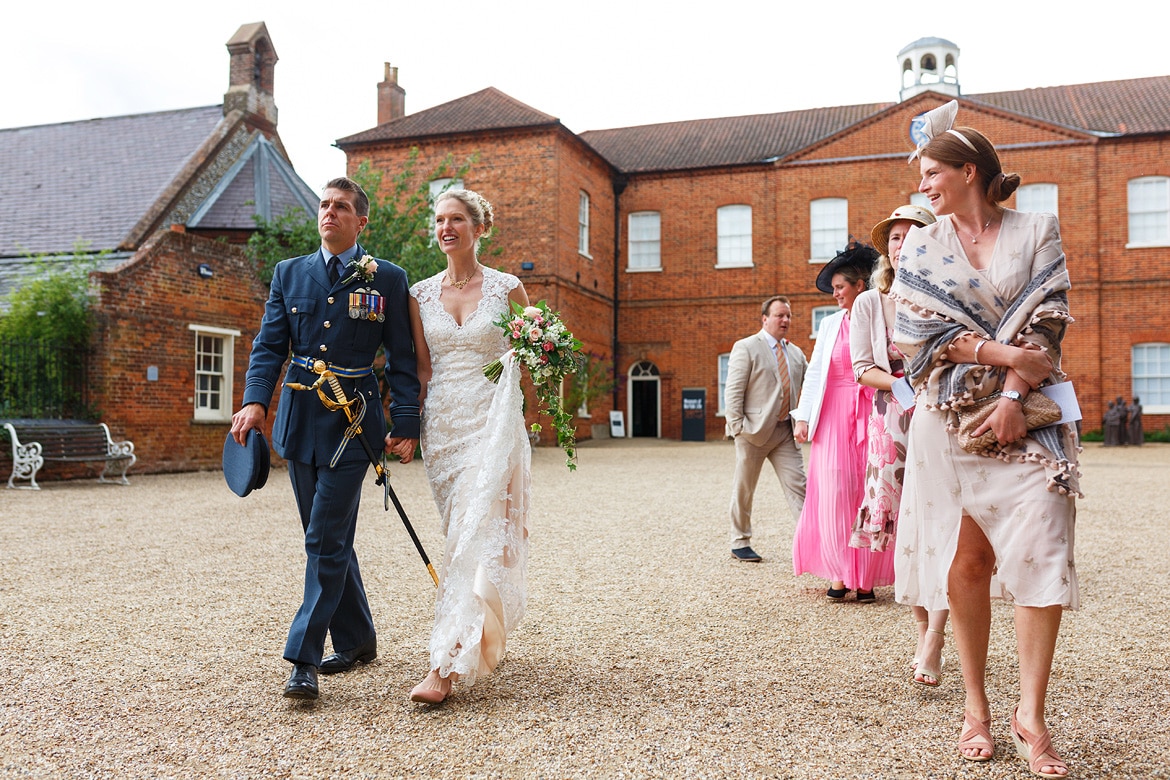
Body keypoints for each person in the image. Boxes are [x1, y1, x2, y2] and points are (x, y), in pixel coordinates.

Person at [891, 100, 1079, 777]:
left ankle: (1031, 713)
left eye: (931, 173)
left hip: (1028, 422)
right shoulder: (922, 242)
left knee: (1044, 545)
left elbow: (1048, 320)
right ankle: (976, 707)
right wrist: (1003, 360)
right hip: (949, 423)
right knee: (967, 561)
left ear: (968, 171)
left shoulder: (1037, 229)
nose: (923, 187)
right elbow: (917, 338)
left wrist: (1010, 396)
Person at [230, 176, 421, 701]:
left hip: (354, 424)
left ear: (361, 221)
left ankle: (303, 657)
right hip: (298, 420)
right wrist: (254, 401)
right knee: (328, 537)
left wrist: (406, 424)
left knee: (322, 539)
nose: (329, 213)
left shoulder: (387, 278)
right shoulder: (288, 273)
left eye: (341, 207)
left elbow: (401, 359)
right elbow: (269, 346)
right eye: (324, 205)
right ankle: (358, 640)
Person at [406, 189, 531, 704]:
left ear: (479, 228)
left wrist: (536, 371)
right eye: (439, 219)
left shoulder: (508, 288)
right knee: (457, 535)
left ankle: (444, 663)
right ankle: (474, 632)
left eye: (456, 219)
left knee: (472, 535)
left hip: (492, 423)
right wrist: (407, 426)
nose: (446, 227)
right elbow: (422, 369)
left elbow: (533, 353)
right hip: (443, 429)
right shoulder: (420, 295)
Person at [849, 206, 949, 686]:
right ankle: (923, 629)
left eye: (911, 235)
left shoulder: (946, 295)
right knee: (906, 531)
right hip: (890, 423)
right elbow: (861, 368)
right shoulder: (869, 303)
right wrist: (900, 385)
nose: (900, 243)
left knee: (943, 523)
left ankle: (935, 636)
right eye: (893, 237)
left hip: (943, 415)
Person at [791, 242, 895, 602]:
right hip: (832, 414)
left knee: (867, 491)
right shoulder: (829, 323)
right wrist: (803, 417)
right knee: (833, 493)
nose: (835, 294)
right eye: (833, 288)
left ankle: (865, 578)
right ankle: (838, 573)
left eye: (840, 287)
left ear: (861, 285)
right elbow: (816, 372)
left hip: (871, 411)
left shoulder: (881, 317)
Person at [723, 295, 808, 562]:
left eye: (788, 316)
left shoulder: (796, 353)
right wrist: (738, 427)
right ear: (765, 319)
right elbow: (733, 390)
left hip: (785, 433)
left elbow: (812, 386)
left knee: (799, 487)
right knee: (744, 487)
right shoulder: (746, 347)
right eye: (779, 315)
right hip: (753, 433)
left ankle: (810, 539)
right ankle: (740, 541)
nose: (785, 320)